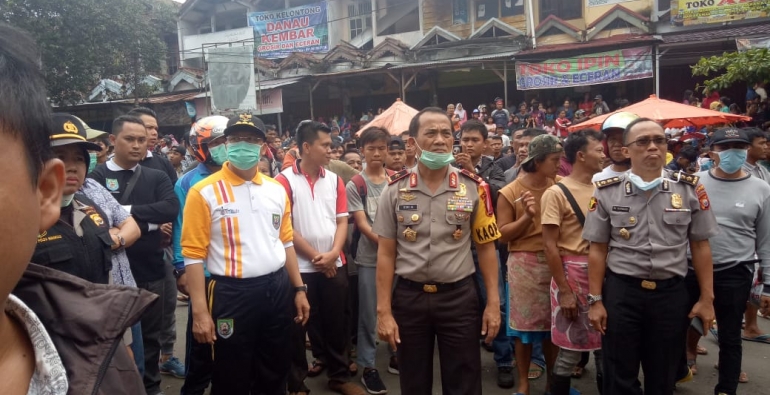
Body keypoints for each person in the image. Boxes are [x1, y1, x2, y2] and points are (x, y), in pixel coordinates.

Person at [0, 23, 154, 395]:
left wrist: (118, 237)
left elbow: (135, 219)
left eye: (78, 157)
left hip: (105, 321)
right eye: (61, 156)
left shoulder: (94, 197)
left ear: (44, 190)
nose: (73, 167)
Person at [583, 118, 718, 394]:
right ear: (626, 150)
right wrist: (595, 300)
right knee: (619, 375)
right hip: (622, 293)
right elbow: (597, 248)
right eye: (643, 142)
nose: (653, 147)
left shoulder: (690, 188)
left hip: (670, 295)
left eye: (659, 140)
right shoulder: (607, 190)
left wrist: (706, 298)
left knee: (664, 376)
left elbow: (701, 246)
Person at [374, 107, 501, 395]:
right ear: (412, 142)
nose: (440, 139)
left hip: (459, 298)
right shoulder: (393, 190)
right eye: (430, 133)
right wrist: (383, 310)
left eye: (446, 133)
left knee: (465, 379)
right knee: (413, 379)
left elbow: (486, 249)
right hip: (409, 298)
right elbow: (385, 253)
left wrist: (493, 303)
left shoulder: (474, 188)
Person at [182, 113, 310, 395]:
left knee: (275, 365)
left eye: (252, 140)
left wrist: (298, 288)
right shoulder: (203, 192)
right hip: (231, 293)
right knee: (231, 372)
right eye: (237, 139)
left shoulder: (276, 189)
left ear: (264, 147)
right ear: (225, 144)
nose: (244, 145)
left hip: (276, 288)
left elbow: (285, 242)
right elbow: (193, 254)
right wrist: (201, 312)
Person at [89, 115, 180, 395]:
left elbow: (170, 208)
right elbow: (99, 220)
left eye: (142, 140)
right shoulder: (96, 178)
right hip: (113, 276)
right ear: (113, 141)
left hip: (152, 269)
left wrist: (125, 214)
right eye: (130, 139)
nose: (137, 146)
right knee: (118, 343)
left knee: (151, 339)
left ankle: (152, 388)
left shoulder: (156, 175)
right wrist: (149, 223)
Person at [680, 127, 770, 395]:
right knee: (676, 326)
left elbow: (766, 240)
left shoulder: (761, 189)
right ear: (712, 153)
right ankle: (676, 370)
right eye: (725, 147)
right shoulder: (691, 182)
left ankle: (726, 389)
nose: (733, 152)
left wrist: (768, 286)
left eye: (739, 147)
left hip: (735, 270)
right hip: (688, 269)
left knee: (731, 336)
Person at [277, 122, 362, 395]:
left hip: (334, 263)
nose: (330, 150)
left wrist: (334, 254)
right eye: (325, 145)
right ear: (306, 147)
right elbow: (285, 230)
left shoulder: (335, 179)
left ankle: (338, 375)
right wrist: (318, 258)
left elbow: (341, 222)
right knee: (297, 326)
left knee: (337, 321)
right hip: (298, 267)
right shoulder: (283, 182)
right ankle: (296, 382)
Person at [497, 134, 563, 395]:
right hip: (524, 264)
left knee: (553, 329)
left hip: (555, 262)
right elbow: (502, 235)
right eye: (554, 160)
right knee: (522, 331)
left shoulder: (559, 186)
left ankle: (552, 384)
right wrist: (527, 217)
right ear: (537, 162)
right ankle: (523, 384)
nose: (559, 165)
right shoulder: (511, 191)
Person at [541, 130, 605, 395]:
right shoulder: (556, 193)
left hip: (603, 275)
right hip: (572, 277)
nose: (604, 154)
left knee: (606, 347)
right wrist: (564, 291)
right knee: (568, 350)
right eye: (598, 150)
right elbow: (549, 246)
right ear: (581, 155)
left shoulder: (604, 188)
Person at [172, 115, 229, 395]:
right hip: (203, 276)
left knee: (231, 346)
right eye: (217, 142)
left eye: (226, 141)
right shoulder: (187, 183)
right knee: (201, 345)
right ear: (199, 146)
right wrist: (181, 267)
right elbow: (180, 228)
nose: (224, 147)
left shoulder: (242, 175)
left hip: (234, 276)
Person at [347, 128, 393, 395]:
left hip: (400, 258)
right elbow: (362, 224)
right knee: (368, 313)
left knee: (397, 307)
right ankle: (368, 367)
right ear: (362, 150)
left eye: (382, 148)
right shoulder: (357, 184)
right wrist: (389, 244)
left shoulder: (397, 180)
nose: (377, 153)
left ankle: (396, 351)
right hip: (370, 259)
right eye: (371, 148)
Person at [591, 112, 640, 182]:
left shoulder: (647, 175)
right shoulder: (597, 178)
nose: (617, 144)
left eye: (623, 139)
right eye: (612, 139)